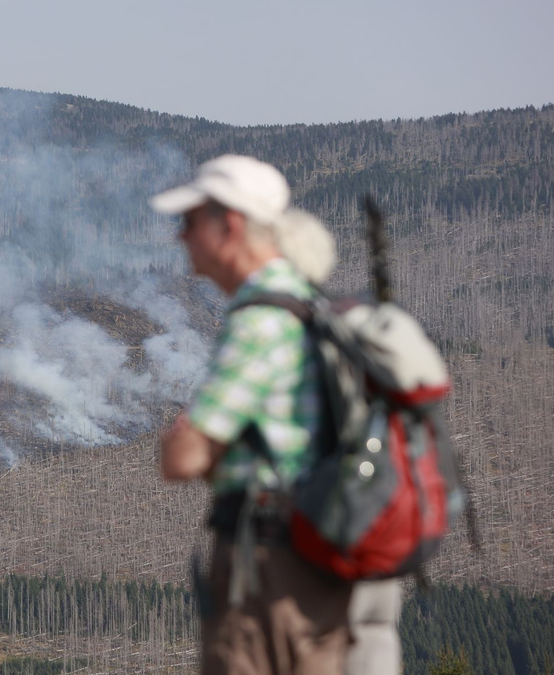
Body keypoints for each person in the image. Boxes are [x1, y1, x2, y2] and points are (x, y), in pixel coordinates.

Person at [152, 155, 352, 675]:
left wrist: (182, 441)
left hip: (267, 567)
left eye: (190, 222)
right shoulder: (310, 304)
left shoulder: (260, 320)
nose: (181, 238)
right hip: (315, 561)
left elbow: (184, 458)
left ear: (231, 225)